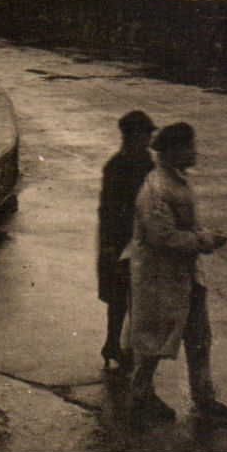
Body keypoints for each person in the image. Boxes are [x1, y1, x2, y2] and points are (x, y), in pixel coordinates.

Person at [123, 121, 227, 422]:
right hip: (160, 276)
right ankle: (141, 393)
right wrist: (205, 240)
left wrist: (203, 235)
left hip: (183, 275)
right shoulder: (157, 188)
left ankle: (204, 397)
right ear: (173, 152)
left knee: (199, 337)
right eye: (190, 147)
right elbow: (163, 237)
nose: (195, 152)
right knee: (155, 339)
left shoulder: (176, 181)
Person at [97, 110, 157, 370]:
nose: (148, 139)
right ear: (132, 136)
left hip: (140, 236)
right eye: (145, 134)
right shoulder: (117, 166)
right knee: (120, 295)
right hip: (120, 238)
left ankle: (117, 345)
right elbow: (108, 207)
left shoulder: (147, 162)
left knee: (132, 295)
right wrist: (110, 244)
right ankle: (114, 344)